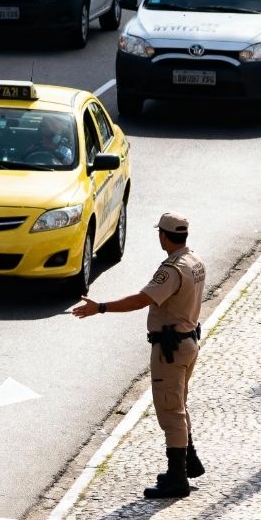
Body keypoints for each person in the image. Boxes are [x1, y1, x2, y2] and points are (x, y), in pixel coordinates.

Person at [71, 212, 206, 499]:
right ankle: (189, 461)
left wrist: (101, 307)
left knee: (170, 410)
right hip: (188, 342)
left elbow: (143, 299)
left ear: (164, 236)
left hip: (170, 348)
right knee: (178, 403)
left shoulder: (172, 269)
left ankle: (177, 477)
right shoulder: (195, 262)